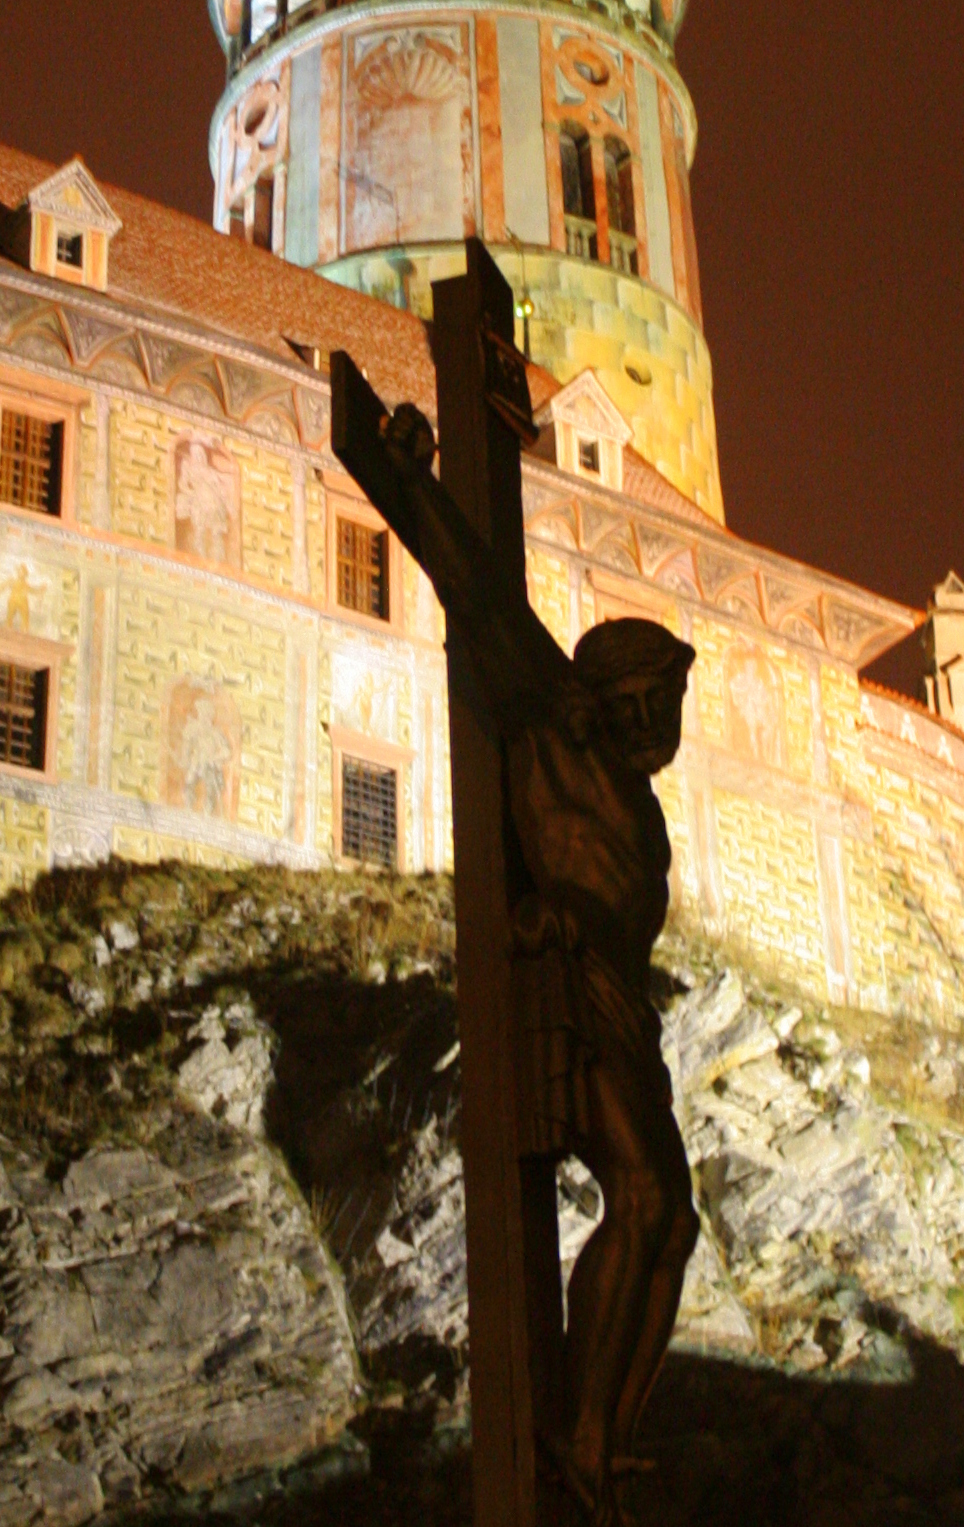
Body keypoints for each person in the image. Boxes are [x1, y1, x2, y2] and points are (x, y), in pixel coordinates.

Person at [377, 400, 698, 1526]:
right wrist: (413, 477)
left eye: (668, 703)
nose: (658, 723)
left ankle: (607, 1436)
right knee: (642, 1192)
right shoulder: (557, 724)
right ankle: (578, 1432)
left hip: (623, 1009)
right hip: (566, 984)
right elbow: (480, 595)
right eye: (646, 702)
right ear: (609, 699)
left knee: (675, 1217)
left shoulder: (643, 812)